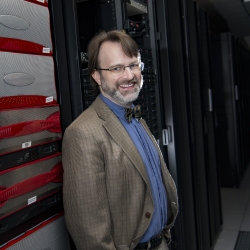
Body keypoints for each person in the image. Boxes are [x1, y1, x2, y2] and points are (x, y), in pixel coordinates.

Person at [62, 30, 178, 250]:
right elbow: (89, 230)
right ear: (97, 75)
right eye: (116, 68)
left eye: (133, 65)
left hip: (160, 242)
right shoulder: (83, 132)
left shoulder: (135, 116)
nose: (129, 75)